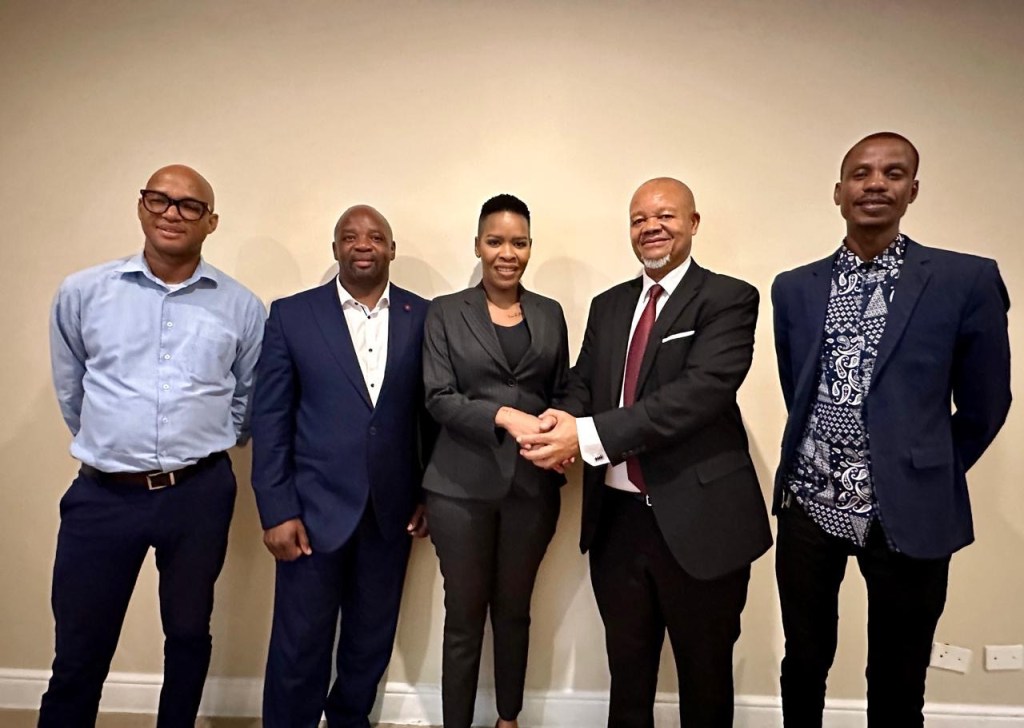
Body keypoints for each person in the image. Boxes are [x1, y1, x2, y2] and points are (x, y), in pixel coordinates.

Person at [771, 132, 1011, 726]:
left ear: (913, 190)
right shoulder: (794, 287)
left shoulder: (964, 280)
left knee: (898, 676)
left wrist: (926, 466)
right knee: (804, 661)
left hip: (909, 509)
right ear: (838, 192)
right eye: (861, 173)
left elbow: (986, 403)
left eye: (893, 173)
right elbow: (797, 385)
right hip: (810, 503)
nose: (875, 183)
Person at [520, 178, 772, 728]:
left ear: (693, 223)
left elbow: (696, 396)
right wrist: (560, 421)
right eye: (639, 219)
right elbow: (585, 383)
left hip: (701, 522)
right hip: (618, 523)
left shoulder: (729, 298)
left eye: (666, 216)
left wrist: (586, 437)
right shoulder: (608, 305)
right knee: (628, 674)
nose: (651, 227)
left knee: (705, 679)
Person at [41, 165, 266, 728]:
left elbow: (247, 398)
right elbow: (72, 389)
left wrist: (204, 443)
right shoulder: (84, 292)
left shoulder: (242, 307)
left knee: (188, 636)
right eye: (160, 199)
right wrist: (115, 443)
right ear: (141, 206)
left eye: (190, 205)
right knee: (80, 647)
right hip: (103, 495)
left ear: (211, 222)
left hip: (198, 494)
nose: (172, 213)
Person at [251, 204, 434, 728]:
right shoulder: (292, 315)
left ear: (391, 249)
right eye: (350, 237)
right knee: (299, 644)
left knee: (369, 642)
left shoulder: (424, 316)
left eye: (375, 236)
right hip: (311, 513)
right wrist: (277, 509)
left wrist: (427, 493)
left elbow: (431, 414)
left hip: (391, 513)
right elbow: (271, 418)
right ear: (335, 249)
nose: (363, 244)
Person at [421, 194, 570, 728]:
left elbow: (562, 392)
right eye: (496, 241)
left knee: (515, 612)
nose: (508, 253)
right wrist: (504, 415)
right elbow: (438, 397)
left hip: (531, 489)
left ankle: (509, 720)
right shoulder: (445, 311)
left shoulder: (550, 313)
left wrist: (559, 430)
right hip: (458, 490)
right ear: (478, 245)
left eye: (519, 242)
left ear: (529, 247)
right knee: (463, 619)